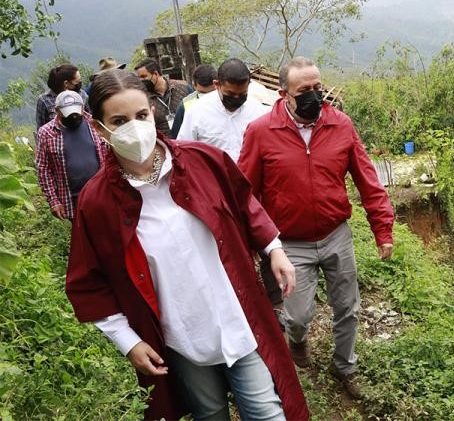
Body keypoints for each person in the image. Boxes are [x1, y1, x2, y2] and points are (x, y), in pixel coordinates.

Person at [65, 69, 309, 421]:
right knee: (209, 414)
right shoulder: (98, 202)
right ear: (99, 129)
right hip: (181, 336)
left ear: (153, 111)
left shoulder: (201, 161)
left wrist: (274, 249)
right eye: (118, 121)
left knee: (267, 412)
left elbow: (246, 205)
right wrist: (127, 340)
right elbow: (89, 281)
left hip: (236, 319)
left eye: (140, 115)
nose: (133, 127)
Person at [238, 56, 395, 400]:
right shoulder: (261, 132)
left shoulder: (341, 125)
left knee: (347, 308)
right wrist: (249, 243)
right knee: (296, 316)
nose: (313, 95)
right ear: (283, 94)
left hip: (335, 234)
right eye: (303, 90)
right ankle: (298, 341)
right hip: (289, 243)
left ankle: (345, 367)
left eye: (317, 87)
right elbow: (245, 193)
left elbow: (368, 180)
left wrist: (382, 229)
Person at [177, 58, 270, 163]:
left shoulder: (259, 111)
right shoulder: (197, 111)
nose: (236, 98)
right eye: (230, 94)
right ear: (217, 85)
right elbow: (183, 152)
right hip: (212, 177)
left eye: (242, 94)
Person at [35, 90, 106, 221]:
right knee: (83, 236)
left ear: (82, 107)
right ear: (57, 111)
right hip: (72, 198)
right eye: (68, 113)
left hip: (102, 193)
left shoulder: (95, 124)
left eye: (76, 112)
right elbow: (43, 169)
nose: (73, 117)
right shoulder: (46, 133)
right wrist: (54, 200)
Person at [134, 58, 191, 136]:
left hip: (189, 140)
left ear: (156, 74)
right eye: (139, 78)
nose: (141, 80)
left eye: (143, 76)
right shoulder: (142, 98)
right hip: (166, 144)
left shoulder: (183, 87)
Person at [35, 63, 90, 130]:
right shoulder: (44, 100)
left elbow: (90, 120)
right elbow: (41, 127)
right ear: (66, 83)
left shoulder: (82, 95)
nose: (80, 83)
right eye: (77, 81)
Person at [170, 64, 217, 139]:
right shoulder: (185, 105)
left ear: (217, 84)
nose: (207, 98)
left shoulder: (228, 101)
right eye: (202, 93)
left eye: (211, 93)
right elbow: (176, 138)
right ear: (194, 86)